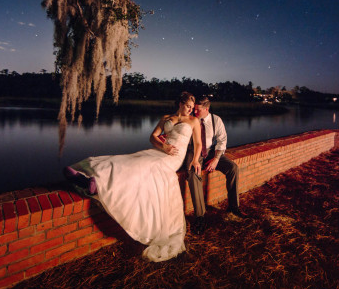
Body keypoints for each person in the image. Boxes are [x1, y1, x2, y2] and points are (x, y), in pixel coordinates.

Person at [63, 92, 202, 262]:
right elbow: (152, 137)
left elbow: (198, 143)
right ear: (180, 103)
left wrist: (195, 160)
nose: (190, 110)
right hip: (159, 151)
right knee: (129, 160)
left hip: (173, 159)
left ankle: (97, 182)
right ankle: (91, 179)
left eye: (192, 107)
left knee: (145, 166)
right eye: (188, 106)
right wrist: (163, 146)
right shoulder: (166, 117)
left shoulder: (194, 121)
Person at [186, 95, 246, 235]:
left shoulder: (216, 120)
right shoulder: (190, 119)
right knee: (192, 174)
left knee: (233, 168)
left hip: (212, 152)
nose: (195, 112)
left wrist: (216, 159)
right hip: (194, 151)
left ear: (207, 109)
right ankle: (200, 216)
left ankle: (233, 207)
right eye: (194, 109)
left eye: (198, 110)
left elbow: (222, 140)